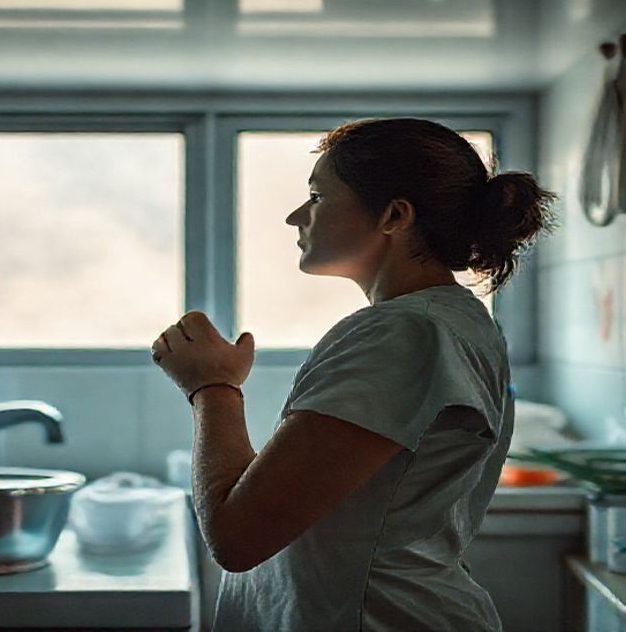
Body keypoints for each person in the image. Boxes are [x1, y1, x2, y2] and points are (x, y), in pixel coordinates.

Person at [150, 117, 557, 632]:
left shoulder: (405, 333)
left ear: (394, 215)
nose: (296, 216)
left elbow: (237, 535)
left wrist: (212, 386)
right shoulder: (442, 321)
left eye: (317, 196)